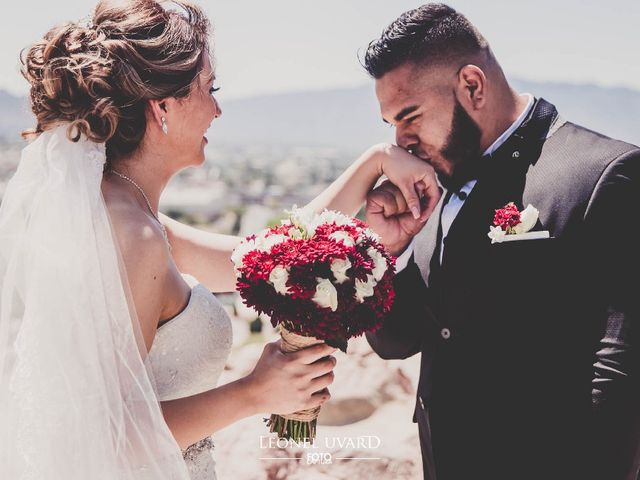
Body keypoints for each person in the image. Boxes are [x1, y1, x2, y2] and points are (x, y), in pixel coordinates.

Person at [0, 1, 438, 479]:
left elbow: (260, 259)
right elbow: (103, 435)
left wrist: (374, 163)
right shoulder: (134, 233)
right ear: (162, 107)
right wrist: (254, 392)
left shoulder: (133, 217)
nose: (218, 109)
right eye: (210, 89)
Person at [363, 3, 640, 480]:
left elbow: (618, 375)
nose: (400, 142)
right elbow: (396, 340)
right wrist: (387, 252)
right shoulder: (429, 185)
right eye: (391, 124)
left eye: (409, 116)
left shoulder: (604, 174)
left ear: (472, 85)